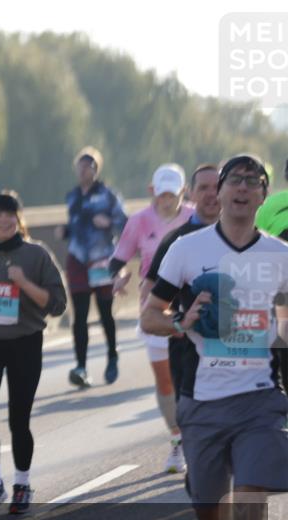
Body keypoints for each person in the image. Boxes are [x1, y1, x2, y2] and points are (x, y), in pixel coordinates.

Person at [141, 154, 288, 520]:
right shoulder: (187, 250)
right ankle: (210, 519)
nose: (244, 188)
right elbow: (149, 315)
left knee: (250, 511)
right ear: (217, 193)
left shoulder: (281, 256)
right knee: (211, 515)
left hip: (261, 403)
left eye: (255, 182)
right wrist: (182, 321)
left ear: (263, 196)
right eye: (236, 180)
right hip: (203, 402)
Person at [0, 193, 66, 514]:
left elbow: (57, 304)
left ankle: (22, 484)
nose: (3, 221)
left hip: (25, 342)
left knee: (19, 419)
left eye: (9, 215)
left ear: (18, 218)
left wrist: (23, 283)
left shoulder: (36, 255)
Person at [144, 164, 225, 520]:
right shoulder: (178, 242)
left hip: (248, 368)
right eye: (204, 187)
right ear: (192, 194)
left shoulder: (256, 240)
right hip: (191, 366)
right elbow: (149, 305)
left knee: (248, 456)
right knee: (202, 470)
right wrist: (182, 320)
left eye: (217, 186)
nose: (212, 194)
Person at [109, 164, 194, 473]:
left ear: (183, 192)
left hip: (191, 309)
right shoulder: (139, 222)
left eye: (173, 194)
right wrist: (119, 277)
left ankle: (196, 438)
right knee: (165, 380)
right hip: (155, 310)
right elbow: (118, 260)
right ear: (152, 192)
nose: (167, 199)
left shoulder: (195, 218)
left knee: (191, 378)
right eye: (162, 194)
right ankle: (176, 440)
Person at [61, 146, 128, 388]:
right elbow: (75, 223)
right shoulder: (72, 196)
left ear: (96, 169)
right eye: (80, 166)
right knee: (79, 316)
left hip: (101, 259)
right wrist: (65, 231)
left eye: (88, 166)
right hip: (77, 259)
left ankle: (112, 355)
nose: (83, 170)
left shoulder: (108, 194)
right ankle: (81, 366)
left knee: (104, 312)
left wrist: (109, 221)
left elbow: (125, 223)